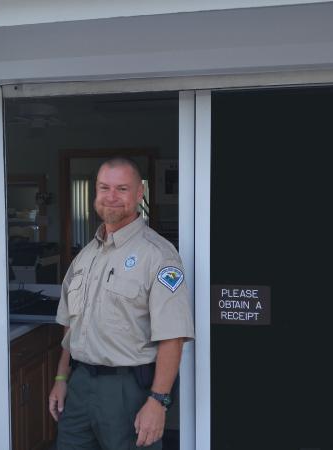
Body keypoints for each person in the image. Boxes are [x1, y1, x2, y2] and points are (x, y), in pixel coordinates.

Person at [49, 157, 195, 449]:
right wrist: (62, 377)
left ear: (139, 194)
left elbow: (173, 337)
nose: (111, 197)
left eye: (122, 189)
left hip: (128, 391)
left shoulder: (158, 256)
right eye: (104, 188)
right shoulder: (85, 256)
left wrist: (158, 401)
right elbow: (70, 325)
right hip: (79, 386)